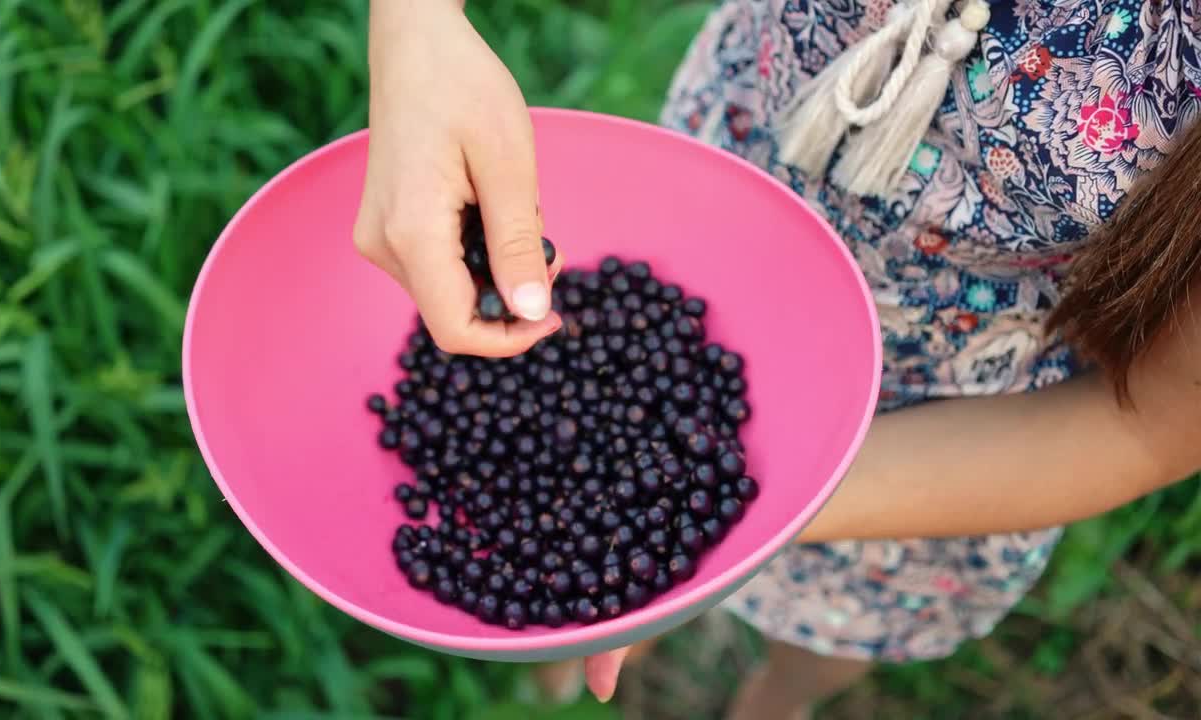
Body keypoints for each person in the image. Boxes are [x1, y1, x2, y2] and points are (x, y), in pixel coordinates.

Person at [353, 0, 1201, 717]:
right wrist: (416, 29)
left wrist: (734, 508)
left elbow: (1154, 425)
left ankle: (779, 696)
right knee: (575, 612)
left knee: (822, 639)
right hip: (725, 169)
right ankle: (569, 664)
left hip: (936, 440)